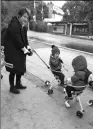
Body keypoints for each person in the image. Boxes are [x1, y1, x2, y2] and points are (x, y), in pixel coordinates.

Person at [4, 8, 33, 94]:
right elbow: (17, 40)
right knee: (13, 69)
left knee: (20, 68)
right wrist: (25, 50)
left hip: (19, 51)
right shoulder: (14, 25)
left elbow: (25, 39)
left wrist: (28, 48)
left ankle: (18, 84)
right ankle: (12, 87)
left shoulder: (23, 26)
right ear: (19, 16)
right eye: (24, 17)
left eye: (27, 18)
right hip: (12, 51)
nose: (25, 19)